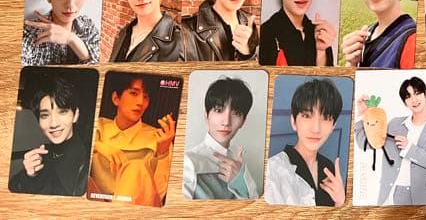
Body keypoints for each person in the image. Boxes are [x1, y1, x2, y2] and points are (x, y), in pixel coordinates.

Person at [89, 74, 177, 206]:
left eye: (146, 96)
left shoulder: (159, 138)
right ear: (116, 98)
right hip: (95, 205)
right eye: (134, 93)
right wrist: (98, 146)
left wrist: (163, 153)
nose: (141, 102)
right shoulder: (98, 126)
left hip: (136, 209)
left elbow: (158, 195)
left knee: (136, 167)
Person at [361, 75, 426, 206]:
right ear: (405, 102)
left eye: (417, 93)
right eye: (408, 96)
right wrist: (363, 115)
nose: (414, 99)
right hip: (395, 193)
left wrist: (410, 149)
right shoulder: (394, 124)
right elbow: (367, 143)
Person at [265, 78, 346, 207]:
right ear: (293, 121)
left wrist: (340, 202)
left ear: (333, 126)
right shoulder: (273, 171)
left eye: (326, 118)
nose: (316, 129)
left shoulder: (328, 168)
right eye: (307, 116)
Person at [9, 73, 92, 196]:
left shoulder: (91, 159)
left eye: (62, 112)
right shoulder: (42, 155)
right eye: (45, 115)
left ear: (75, 115)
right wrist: (30, 176)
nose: (53, 123)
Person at [182, 77, 259, 199]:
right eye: (218, 110)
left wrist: (240, 183)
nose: (226, 122)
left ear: (243, 121)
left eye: (236, 113)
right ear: (206, 116)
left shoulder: (238, 161)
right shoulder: (189, 162)